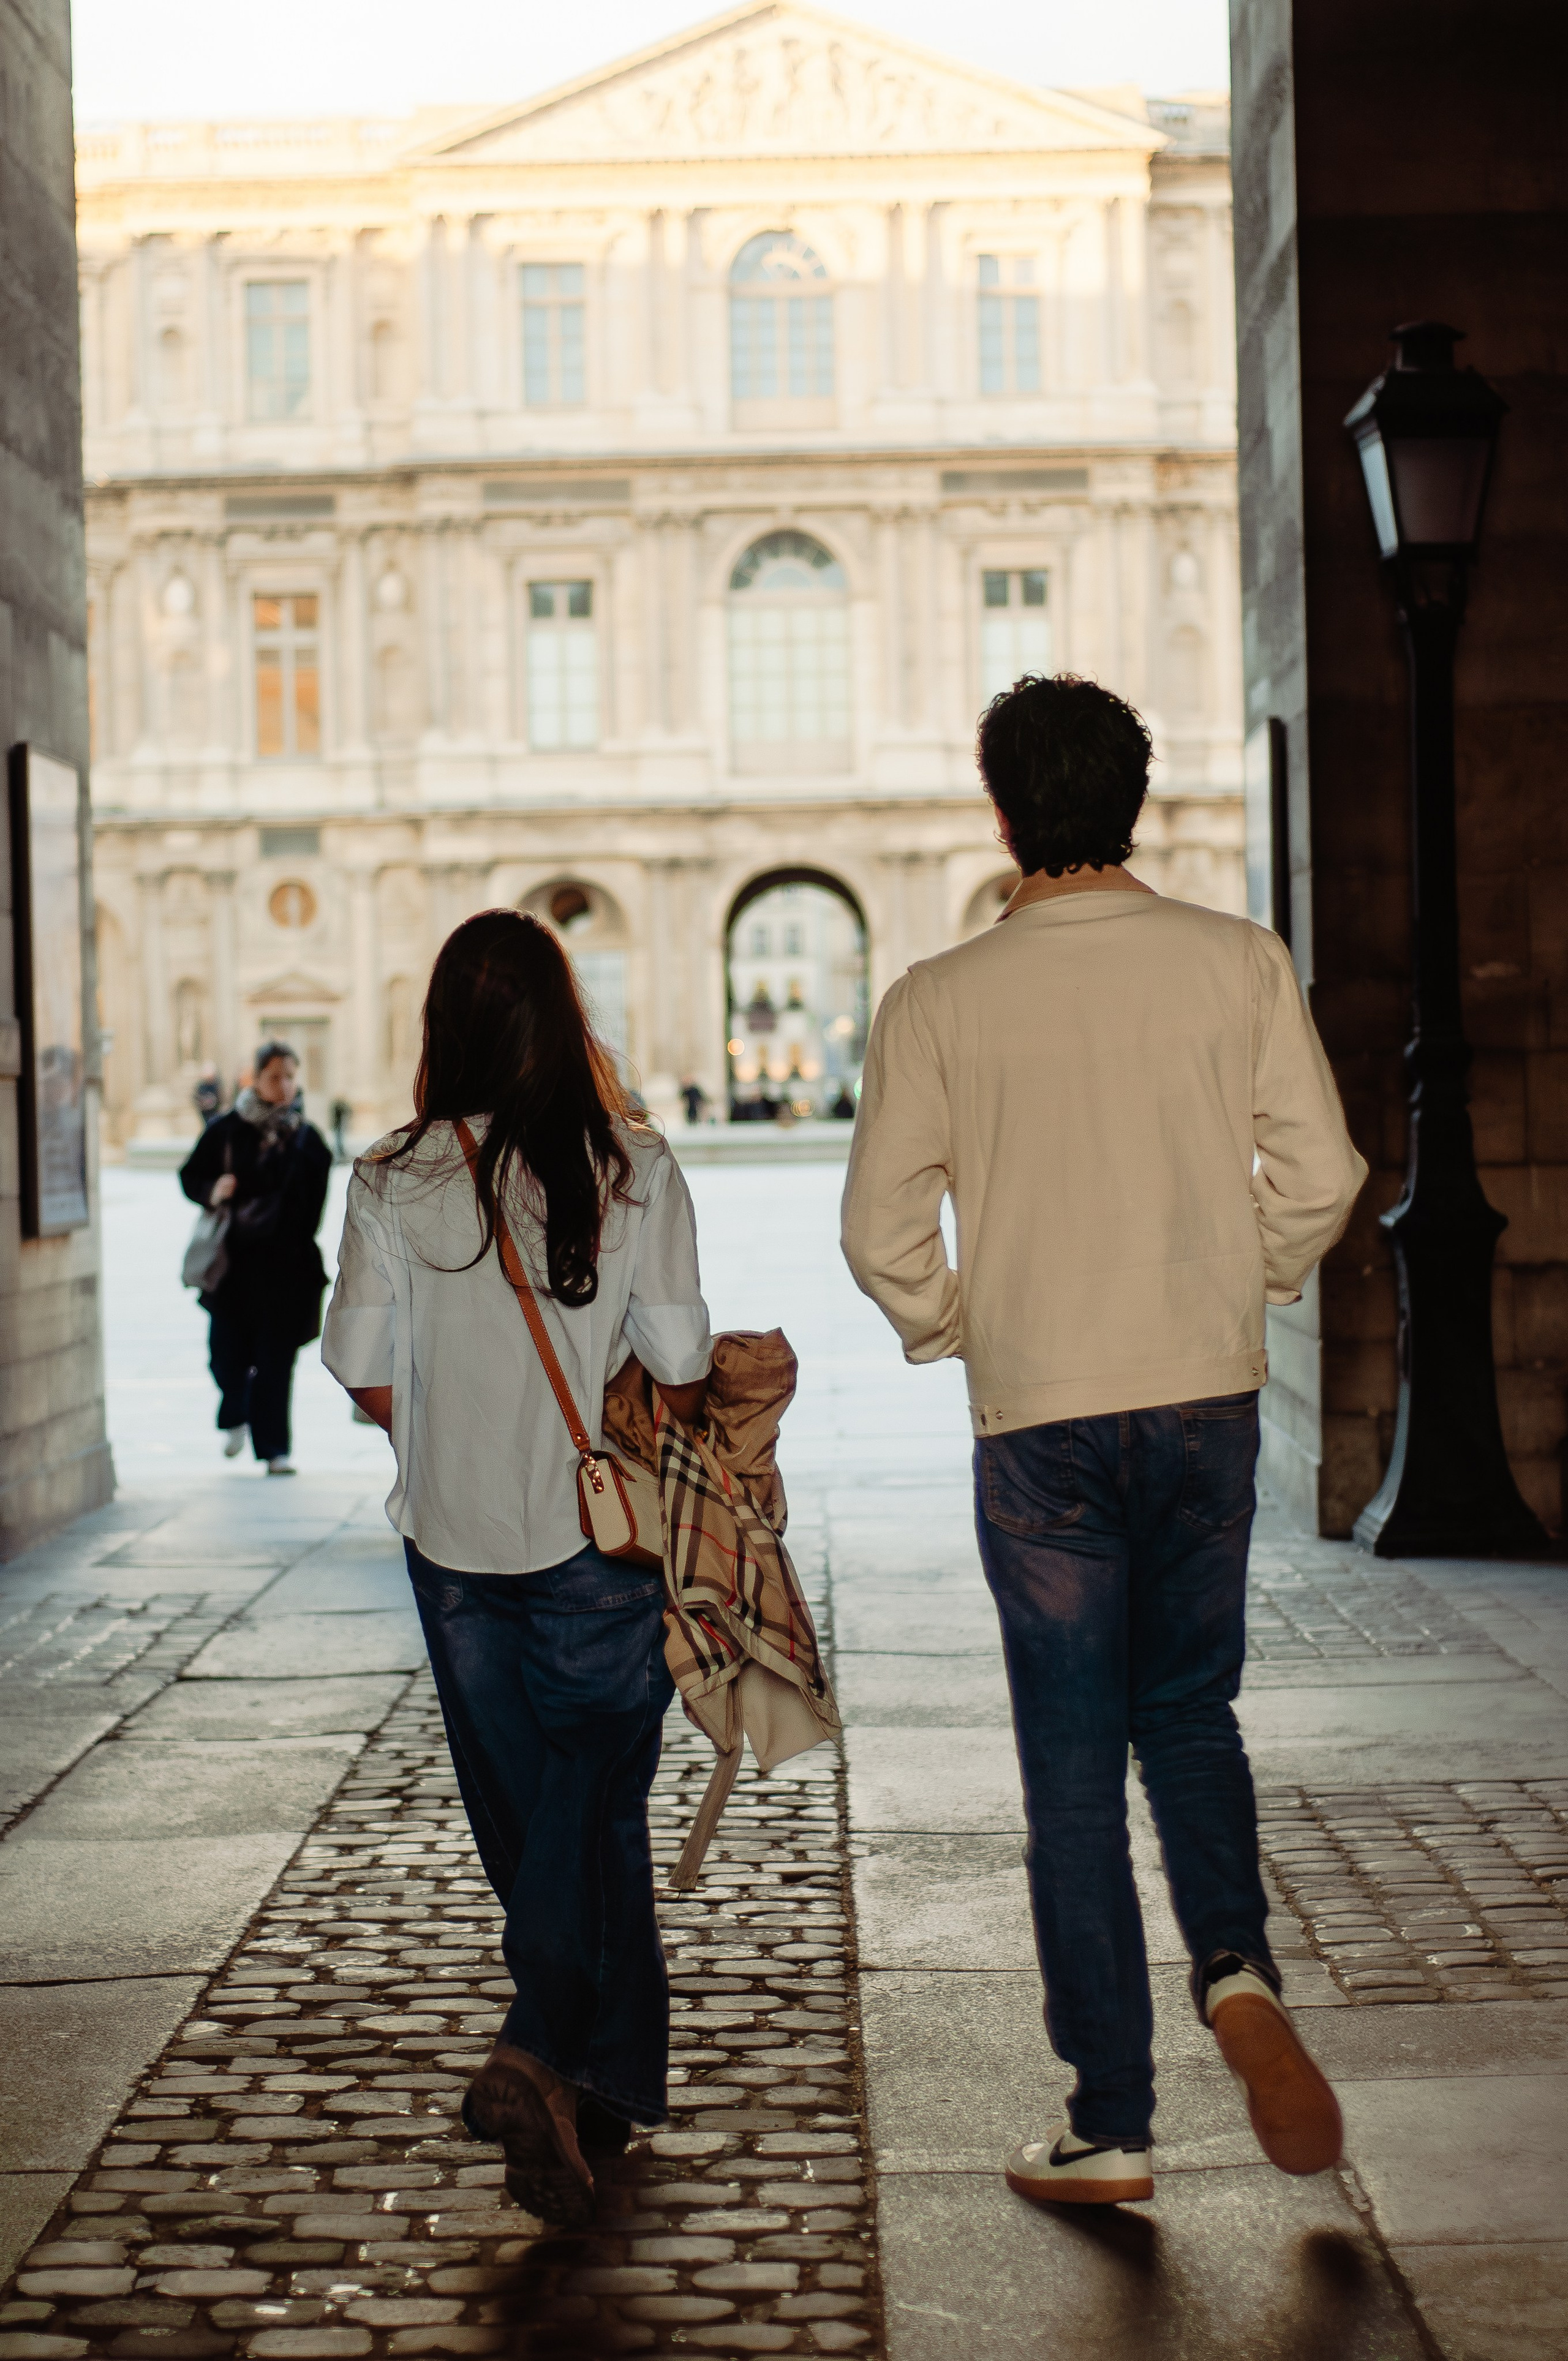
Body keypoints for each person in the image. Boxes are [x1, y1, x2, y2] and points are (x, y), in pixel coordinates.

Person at [841, 673, 1367, 2209]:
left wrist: (958, 1323)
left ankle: (1110, 2115)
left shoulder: (938, 996)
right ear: (1130, 801)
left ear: (1000, 814)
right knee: (1189, 1713)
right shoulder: (1235, 960)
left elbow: (881, 1233)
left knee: (1069, 1770)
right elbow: (1321, 1171)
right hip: (1201, 1396)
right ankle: (1234, 1964)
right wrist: (1247, 1275)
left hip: (1040, 1418)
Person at [320, 909, 712, 2229]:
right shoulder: (636, 1165)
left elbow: (364, 1373)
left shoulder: (387, 1177)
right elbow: (673, 1363)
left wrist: (449, 1416)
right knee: (590, 1808)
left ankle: (586, 2072)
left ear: (441, 1030)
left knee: (532, 1815)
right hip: (598, 1539)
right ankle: (554, 2053)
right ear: (566, 1018)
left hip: (451, 1545)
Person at [181, 1041, 331, 1476]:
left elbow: (315, 1199)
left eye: (290, 1076)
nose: (283, 1085)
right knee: (225, 1355)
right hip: (235, 1267)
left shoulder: (307, 1137)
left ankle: (274, 1449)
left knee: (276, 1360)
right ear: (256, 1078)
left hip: (287, 1268)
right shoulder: (227, 1129)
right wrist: (214, 1189)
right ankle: (235, 1413)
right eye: (274, 1076)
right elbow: (190, 1176)